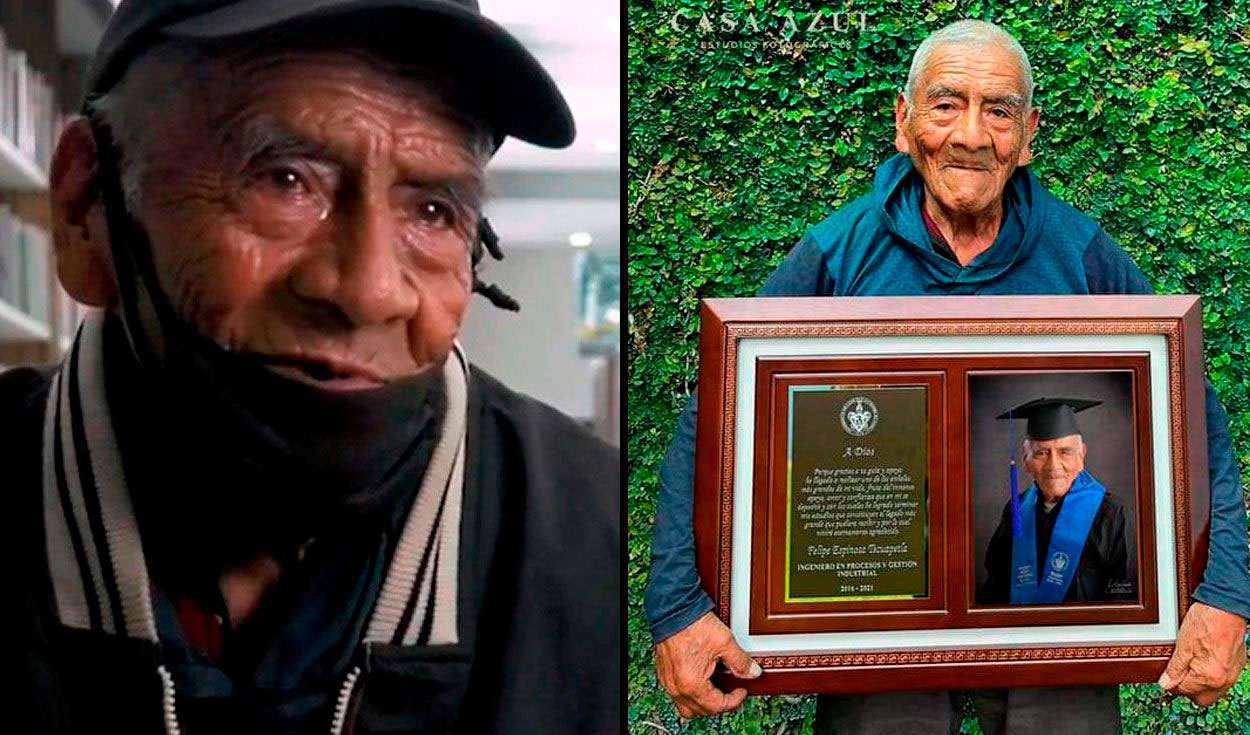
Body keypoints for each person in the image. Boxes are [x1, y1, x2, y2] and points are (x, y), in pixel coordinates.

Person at [1, 1, 619, 733]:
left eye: (431, 210)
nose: (368, 289)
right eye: (285, 179)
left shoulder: (614, 554)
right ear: (85, 205)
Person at [645, 19, 1249, 735]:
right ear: (904, 122)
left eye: (998, 110)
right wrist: (678, 603)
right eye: (945, 104)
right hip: (878, 614)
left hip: (1057, 638)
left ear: (1028, 134)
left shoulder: (1082, 257)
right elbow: (716, 416)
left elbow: (1192, 418)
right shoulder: (838, 257)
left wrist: (1227, 591)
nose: (970, 133)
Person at [978, 398, 1134, 605]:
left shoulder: (1111, 513)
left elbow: (1123, 595)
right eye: (1042, 453)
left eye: (1065, 452)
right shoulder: (1016, 510)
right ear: (1026, 459)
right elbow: (996, 586)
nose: (1054, 465)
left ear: (1081, 455)